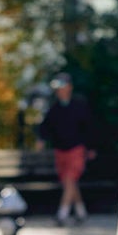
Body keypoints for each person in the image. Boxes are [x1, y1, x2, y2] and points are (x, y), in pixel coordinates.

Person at [36, 73, 94, 224]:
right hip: (60, 150)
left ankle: (62, 214)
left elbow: (89, 128)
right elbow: (45, 127)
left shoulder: (80, 105)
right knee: (69, 182)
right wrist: (41, 140)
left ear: (69, 87)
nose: (60, 90)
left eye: (63, 87)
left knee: (70, 179)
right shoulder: (54, 108)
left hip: (76, 149)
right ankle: (81, 212)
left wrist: (91, 147)